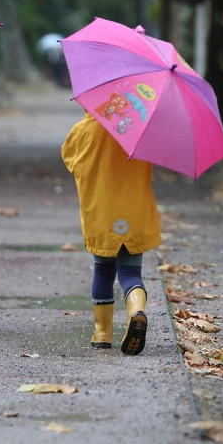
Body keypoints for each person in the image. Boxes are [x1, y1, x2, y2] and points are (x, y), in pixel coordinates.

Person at [61, 112, 161, 355]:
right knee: (129, 272)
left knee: (103, 271)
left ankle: (102, 333)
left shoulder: (83, 129)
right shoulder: (141, 129)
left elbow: (70, 161)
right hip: (135, 211)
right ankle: (137, 307)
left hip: (102, 212)